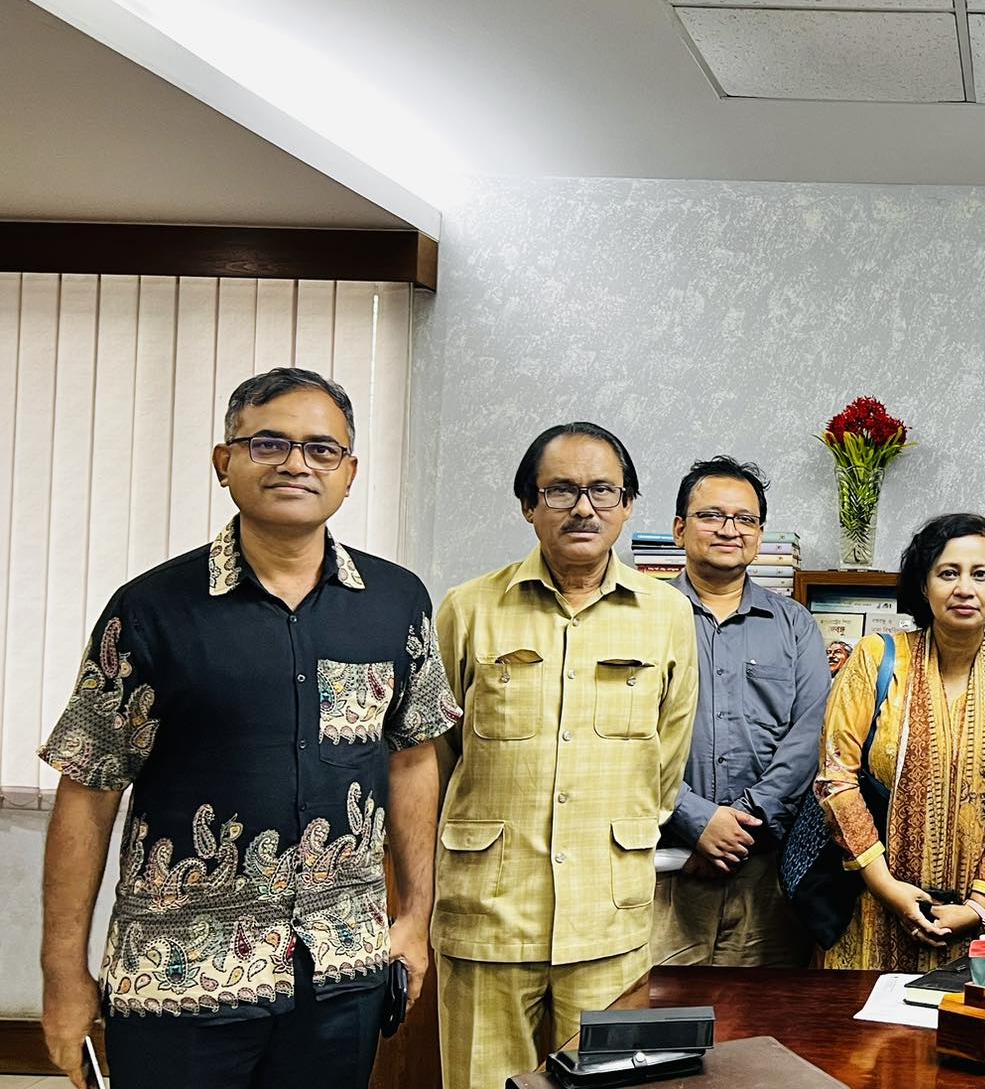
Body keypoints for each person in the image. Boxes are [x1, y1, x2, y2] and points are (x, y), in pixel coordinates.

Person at [37, 368, 457, 1089]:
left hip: (341, 970)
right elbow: (89, 791)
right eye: (269, 443)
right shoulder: (149, 610)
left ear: (349, 473)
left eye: (321, 449)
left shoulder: (396, 602)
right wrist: (61, 974)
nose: (296, 463)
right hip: (177, 980)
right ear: (224, 461)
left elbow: (412, 759)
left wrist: (414, 918)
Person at [431, 422, 698, 1089]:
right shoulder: (467, 609)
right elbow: (435, 758)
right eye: (561, 491)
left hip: (608, 919)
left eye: (603, 490)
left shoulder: (667, 614)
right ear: (529, 505)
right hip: (488, 914)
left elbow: (666, 762)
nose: (584, 508)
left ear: (628, 505)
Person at [815, 513, 985, 973]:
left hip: (980, 921)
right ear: (924, 586)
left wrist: (977, 908)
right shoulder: (875, 659)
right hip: (873, 903)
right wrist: (887, 887)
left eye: (980, 575)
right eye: (948, 573)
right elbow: (835, 780)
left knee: (973, 1018)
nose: (965, 589)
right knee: (870, 1020)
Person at [653, 456, 826, 968]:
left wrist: (739, 829)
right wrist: (697, 821)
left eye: (745, 519)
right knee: (656, 1011)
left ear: (759, 534)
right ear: (680, 529)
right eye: (711, 516)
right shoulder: (642, 618)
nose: (730, 530)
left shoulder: (794, 625)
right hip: (661, 868)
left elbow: (809, 736)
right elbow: (621, 738)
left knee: (762, 1015)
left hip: (766, 876)